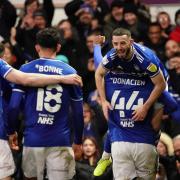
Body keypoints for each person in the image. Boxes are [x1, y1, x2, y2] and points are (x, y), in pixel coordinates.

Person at [7, 27, 84, 180]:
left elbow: (14, 106)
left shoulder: (25, 69)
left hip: (32, 140)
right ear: (58, 47)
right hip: (60, 141)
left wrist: (11, 131)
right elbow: (78, 112)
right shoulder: (70, 73)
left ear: (37, 47)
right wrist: (78, 141)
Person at [95, 28, 167, 179]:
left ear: (131, 42)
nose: (119, 47)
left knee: (168, 106)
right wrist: (103, 101)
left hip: (158, 78)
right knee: (114, 111)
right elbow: (98, 73)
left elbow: (160, 84)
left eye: (123, 43)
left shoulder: (146, 59)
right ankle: (105, 157)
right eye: (115, 44)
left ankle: (155, 138)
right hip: (131, 79)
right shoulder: (113, 54)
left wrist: (146, 106)